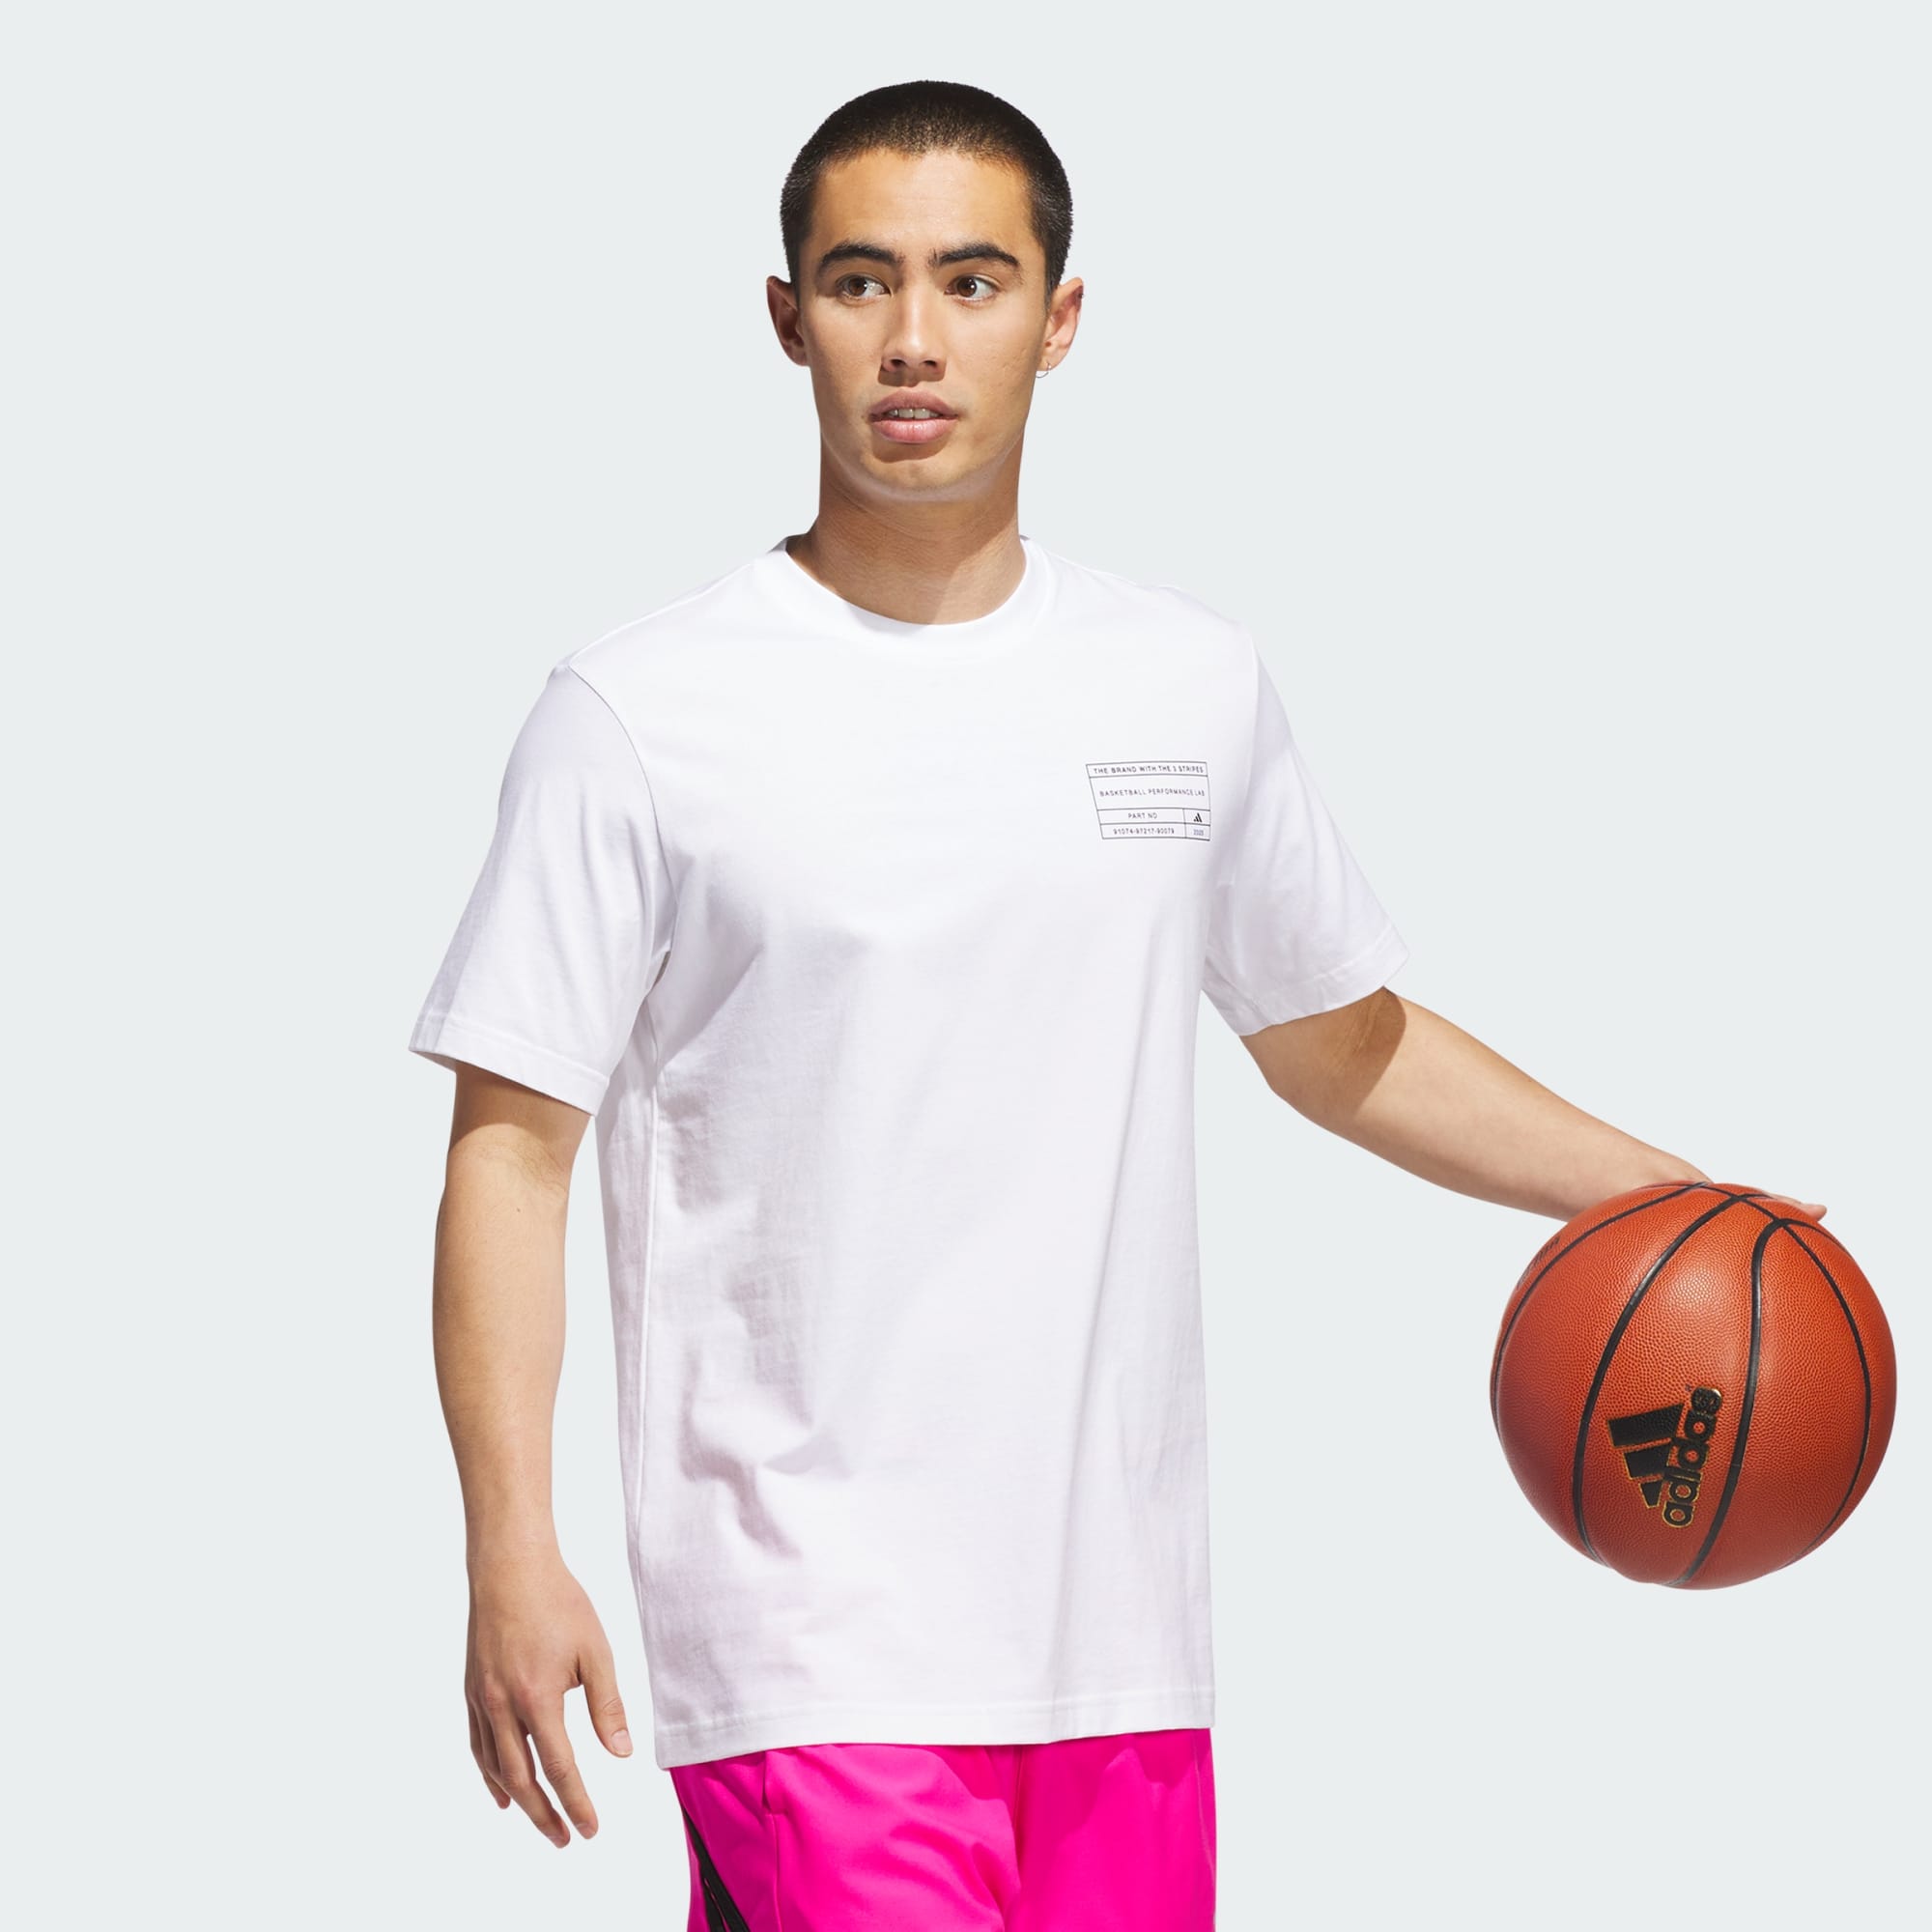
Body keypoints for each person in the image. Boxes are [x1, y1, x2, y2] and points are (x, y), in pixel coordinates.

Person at [407, 79, 1824, 1930]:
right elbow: (512, 1152)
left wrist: (1676, 1199)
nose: (916, 340)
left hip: (1125, 1660)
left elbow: (1342, 1040)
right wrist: (510, 1546)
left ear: (1060, 318)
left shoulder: (1187, 685)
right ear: (786, 318)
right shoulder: (642, 715)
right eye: (860, 281)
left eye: (974, 281)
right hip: (812, 1652)